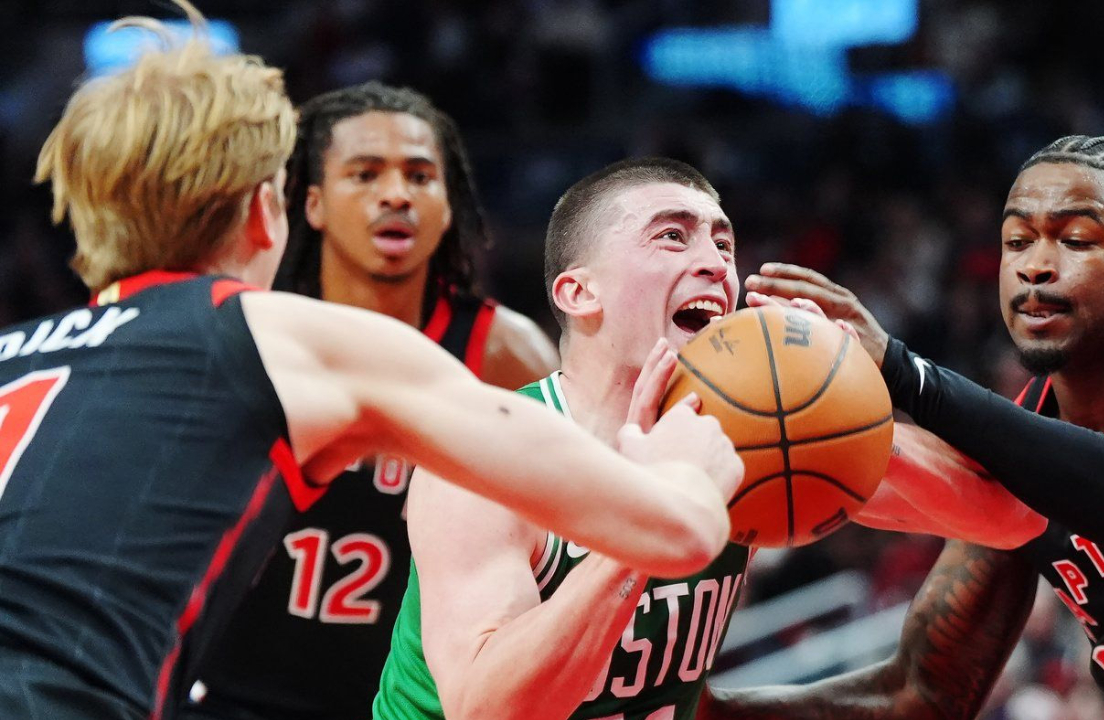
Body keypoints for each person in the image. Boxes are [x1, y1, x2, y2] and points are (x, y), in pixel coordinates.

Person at [0, 9, 743, 720]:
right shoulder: (289, 337)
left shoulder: (18, 353)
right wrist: (680, 471)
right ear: (270, 209)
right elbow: (670, 528)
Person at [371, 158, 1043, 720]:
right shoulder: (490, 455)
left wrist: (849, 417)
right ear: (580, 292)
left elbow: (1010, 521)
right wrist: (657, 512)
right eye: (673, 236)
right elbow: (486, 710)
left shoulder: (745, 434)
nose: (716, 264)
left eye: (723, 244)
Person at [732, 135, 1104, 718]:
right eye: (1016, 241)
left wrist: (900, 369)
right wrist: (692, 709)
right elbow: (925, 692)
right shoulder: (1027, 436)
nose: (1034, 265)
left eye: (1074, 240)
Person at [188, 82, 558, 720]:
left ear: (447, 207)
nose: (396, 194)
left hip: (407, 705)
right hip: (231, 697)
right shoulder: (251, 333)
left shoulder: (503, 354)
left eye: (420, 176)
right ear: (311, 205)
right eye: (364, 174)